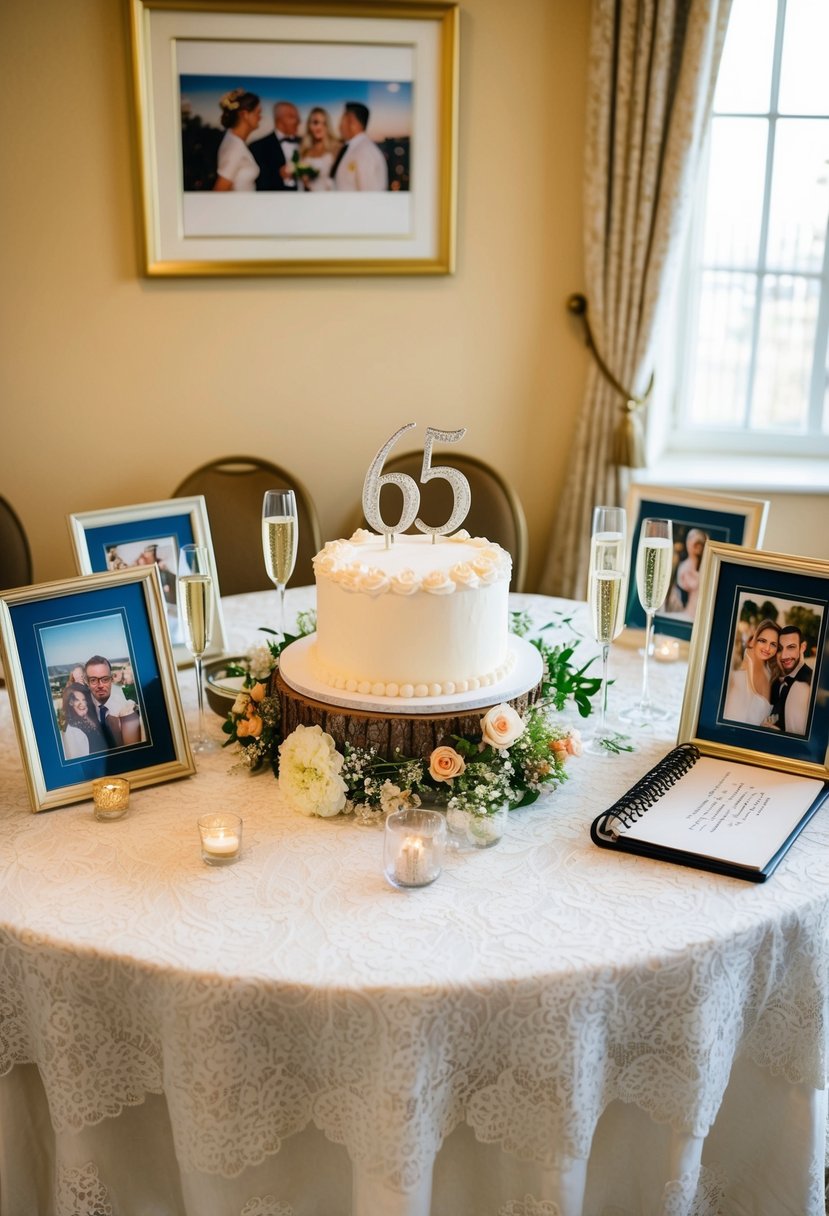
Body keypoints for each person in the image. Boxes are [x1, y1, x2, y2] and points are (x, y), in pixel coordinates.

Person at [723, 619, 781, 727]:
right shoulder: (739, 671)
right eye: (763, 641)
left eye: (773, 644)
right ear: (753, 640)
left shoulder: (769, 671)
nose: (767, 648)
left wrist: (765, 724)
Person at [84, 655, 143, 748]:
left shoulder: (125, 708)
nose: (100, 685)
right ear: (87, 682)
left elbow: (132, 750)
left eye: (105, 679)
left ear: (111, 679)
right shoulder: (82, 709)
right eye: (93, 680)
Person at [331, 102, 388, 192]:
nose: (339, 126)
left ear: (351, 121)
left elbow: (369, 197)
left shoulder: (365, 152)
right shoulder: (352, 148)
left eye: (342, 120)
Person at [768, 625, 813, 735]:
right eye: (780, 648)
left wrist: (775, 732)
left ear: (802, 647)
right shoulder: (781, 681)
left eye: (791, 647)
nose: (784, 656)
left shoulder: (803, 685)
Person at [213, 89, 262, 192]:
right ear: (245, 114)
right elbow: (219, 191)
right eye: (258, 112)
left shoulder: (233, 139)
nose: (260, 117)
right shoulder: (235, 147)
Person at [250, 101, 302, 191]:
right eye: (292, 117)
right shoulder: (258, 147)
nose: (298, 121)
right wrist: (279, 175)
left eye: (297, 117)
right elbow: (259, 182)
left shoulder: (304, 143)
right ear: (279, 120)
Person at [296, 107, 341, 192]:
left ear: (328, 126)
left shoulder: (336, 148)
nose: (319, 127)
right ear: (309, 125)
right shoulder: (303, 150)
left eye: (324, 123)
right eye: (316, 122)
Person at [61, 682, 108, 760]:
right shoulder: (73, 731)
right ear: (70, 703)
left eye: (84, 700)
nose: (82, 704)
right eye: (76, 700)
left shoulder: (93, 715)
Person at [673, 529, 708, 620]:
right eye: (696, 545)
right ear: (689, 544)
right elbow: (693, 584)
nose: (699, 548)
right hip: (691, 611)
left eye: (701, 545)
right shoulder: (685, 566)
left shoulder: (704, 564)